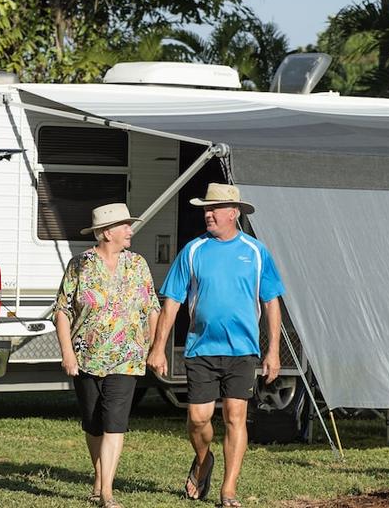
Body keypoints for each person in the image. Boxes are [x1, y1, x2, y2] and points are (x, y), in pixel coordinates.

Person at [147, 183, 285, 508]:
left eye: (214, 209)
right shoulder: (193, 251)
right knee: (198, 418)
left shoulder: (255, 252)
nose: (207, 214)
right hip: (201, 349)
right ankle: (203, 459)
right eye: (206, 209)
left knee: (236, 417)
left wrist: (274, 350)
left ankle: (229, 490)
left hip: (242, 350)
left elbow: (271, 303)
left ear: (233, 213)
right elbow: (172, 303)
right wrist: (157, 347)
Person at [53, 202, 161, 508]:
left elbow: (152, 307)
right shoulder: (80, 264)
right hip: (86, 356)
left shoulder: (137, 264)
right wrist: (67, 353)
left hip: (127, 357)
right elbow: (61, 311)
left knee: (115, 422)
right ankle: (100, 479)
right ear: (105, 232)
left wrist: (154, 346)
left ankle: (108, 493)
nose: (130, 230)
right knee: (94, 424)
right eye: (124, 226)